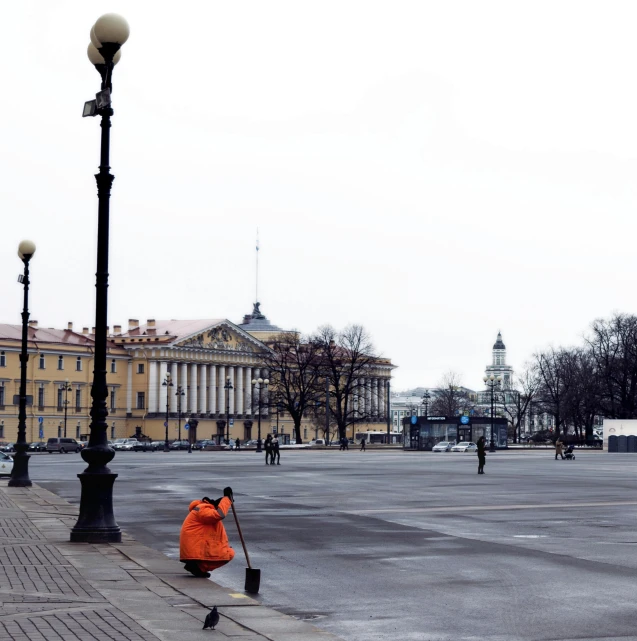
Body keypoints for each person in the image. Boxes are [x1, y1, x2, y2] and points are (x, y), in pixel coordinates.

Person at [179, 487, 236, 578]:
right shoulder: (203, 509)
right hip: (195, 548)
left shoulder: (201, 509)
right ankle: (199, 568)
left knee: (226, 552)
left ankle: (198, 568)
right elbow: (219, 514)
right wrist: (226, 499)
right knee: (229, 554)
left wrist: (224, 501)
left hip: (195, 546)